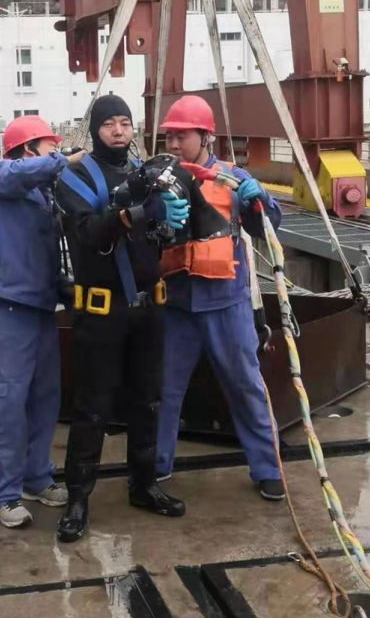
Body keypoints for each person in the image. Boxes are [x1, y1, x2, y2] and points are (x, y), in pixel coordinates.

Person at [54, 95, 189, 543]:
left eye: (125, 123)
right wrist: (138, 212)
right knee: (92, 408)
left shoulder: (146, 174)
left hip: (148, 309)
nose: (118, 131)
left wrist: (168, 221)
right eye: (109, 123)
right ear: (95, 129)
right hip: (101, 311)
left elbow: (164, 231)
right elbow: (90, 233)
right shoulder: (75, 177)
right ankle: (77, 499)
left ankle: (144, 485)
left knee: (148, 401)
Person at [155, 95, 285, 501]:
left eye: (182, 136)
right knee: (164, 391)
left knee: (246, 386)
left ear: (206, 136)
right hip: (177, 304)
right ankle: (156, 466)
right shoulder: (161, 179)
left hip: (226, 303)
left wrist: (259, 198)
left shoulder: (232, 179)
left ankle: (267, 469)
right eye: (169, 137)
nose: (173, 144)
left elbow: (269, 226)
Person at [0, 115, 85, 529]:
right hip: (4, 308)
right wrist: (63, 160)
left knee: (44, 398)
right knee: (8, 402)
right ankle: (2, 495)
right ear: (27, 149)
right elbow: (16, 173)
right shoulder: (1, 177)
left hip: (38, 307)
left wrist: (66, 288)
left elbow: (41, 255)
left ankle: (36, 478)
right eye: (49, 145)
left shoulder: (40, 197)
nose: (55, 151)